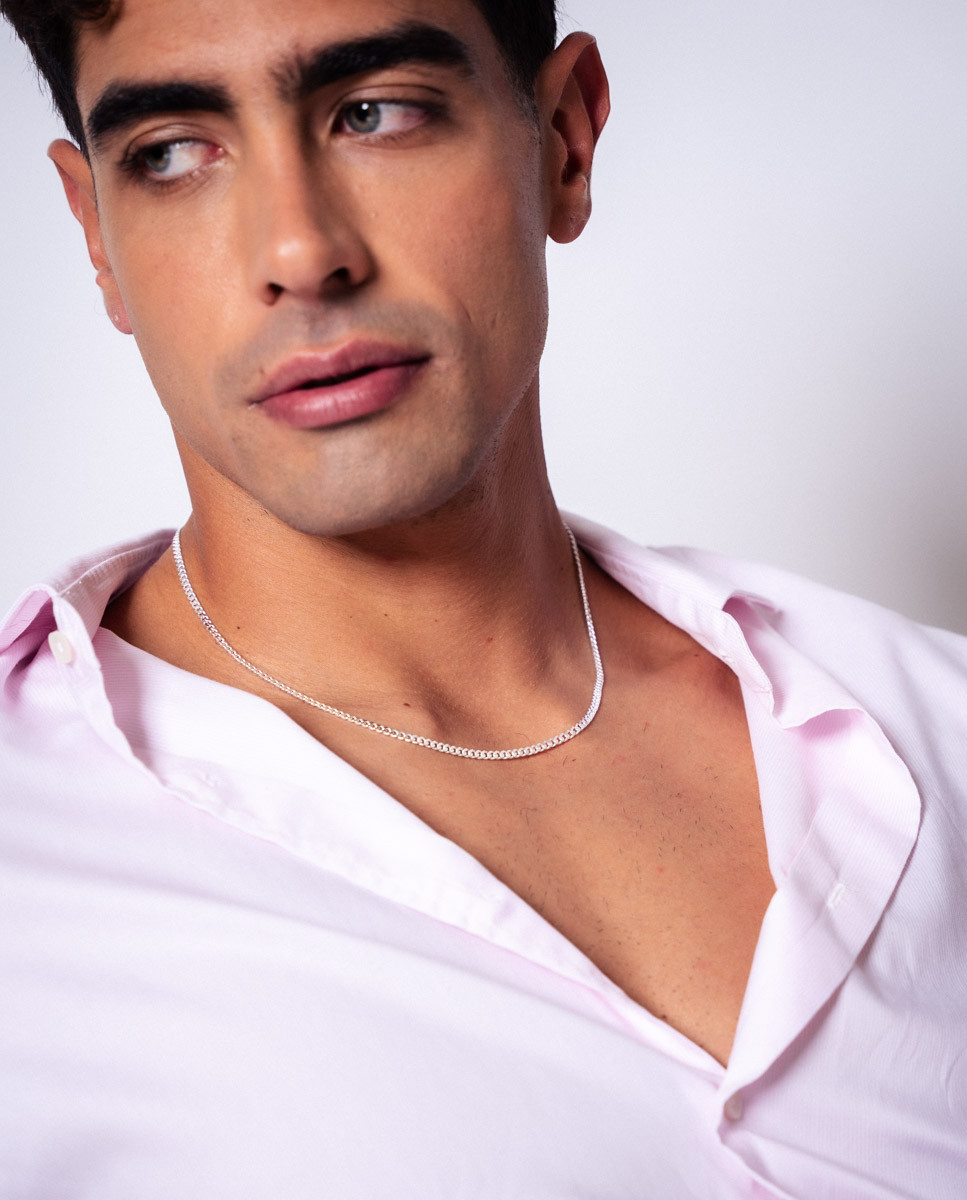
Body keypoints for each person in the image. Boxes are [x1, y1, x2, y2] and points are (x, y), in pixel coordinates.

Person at [0, 0, 964, 1195]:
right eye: (172, 152)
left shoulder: (929, 727)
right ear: (96, 231)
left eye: (376, 113)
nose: (298, 252)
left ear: (562, 139)